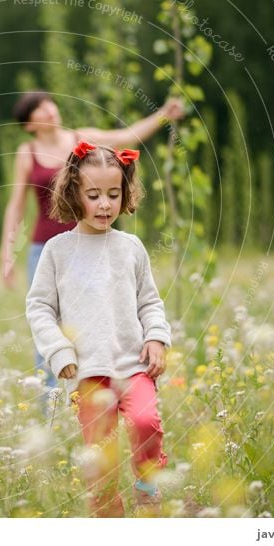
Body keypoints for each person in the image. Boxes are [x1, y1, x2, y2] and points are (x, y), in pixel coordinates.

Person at [25, 140, 172, 517]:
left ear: (125, 193)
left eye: (113, 193)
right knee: (100, 461)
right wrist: (60, 352)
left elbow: (149, 301)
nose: (105, 204)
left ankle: (148, 486)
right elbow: (39, 306)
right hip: (88, 373)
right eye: (94, 195)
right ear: (74, 194)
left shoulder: (131, 247)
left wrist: (156, 338)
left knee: (145, 421)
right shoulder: (58, 251)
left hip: (133, 364)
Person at [1, 91, 182, 390]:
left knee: (96, 320)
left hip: (93, 244)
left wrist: (163, 113)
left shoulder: (81, 139)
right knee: (48, 327)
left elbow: (128, 136)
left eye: (48, 103)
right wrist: (7, 255)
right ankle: (54, 408)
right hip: (44, 249)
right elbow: (16, 205)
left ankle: (108, 391)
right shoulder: (27, 152)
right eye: (37, 109)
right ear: (28, 124)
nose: (48, 110)